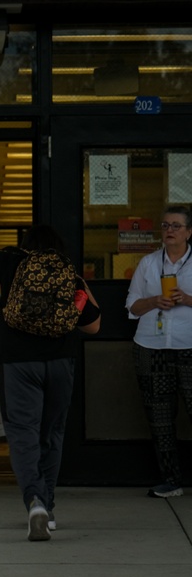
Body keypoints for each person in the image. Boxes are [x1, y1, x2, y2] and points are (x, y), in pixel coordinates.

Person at [0, 225, 100, 541]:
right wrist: (75, 278)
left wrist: (10, 258)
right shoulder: (67, 275)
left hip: (17, 363)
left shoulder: (13, 264)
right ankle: (48, 507)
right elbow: (94, 325)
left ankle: (35, 501)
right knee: (52, 433)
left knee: (23, 433)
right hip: (60, 361)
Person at [125, 206, 192, 499]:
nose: (170, 230)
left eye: (176, 226)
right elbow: (132, 306)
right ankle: (171, 480)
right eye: (166, 225)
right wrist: (154, 300)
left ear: (189, 232)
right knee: (160, 417)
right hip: (151, 347)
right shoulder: (149, 263)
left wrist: (187, 299)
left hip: (189, 345)